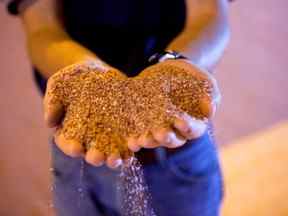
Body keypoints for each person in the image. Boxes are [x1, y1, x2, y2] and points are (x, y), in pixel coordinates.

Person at [7, 0, 230, 215]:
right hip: (81, 142)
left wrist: (176, 62)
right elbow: (42, 28)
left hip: (176, 143)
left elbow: (209, 14)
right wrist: (86, 70)